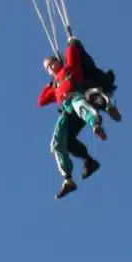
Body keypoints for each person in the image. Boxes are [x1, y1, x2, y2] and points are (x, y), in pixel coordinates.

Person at [38, 34, 118, 199]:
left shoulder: (70, 68)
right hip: (67, 112)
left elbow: (72, 51)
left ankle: (95, 123)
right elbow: (41, 101)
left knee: (78, 104)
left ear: (58, 61)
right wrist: (49, 84)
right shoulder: (55, 86)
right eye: (47, 68)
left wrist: (72, 42)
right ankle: (69, 179)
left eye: (51, 63)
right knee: (58, 142)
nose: (50, 68)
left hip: (78, 97)